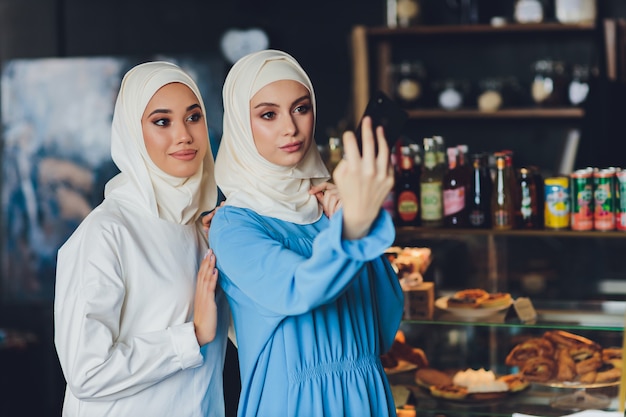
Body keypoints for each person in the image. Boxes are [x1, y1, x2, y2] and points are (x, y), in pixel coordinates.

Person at [209, 49, 404, 416]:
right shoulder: (234, 224)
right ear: (238, 124)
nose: (291, 128)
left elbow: (385, 318)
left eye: (301, 108)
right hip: (296, 401)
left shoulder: (332, 207)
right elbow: (298, 288)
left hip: (366, 390)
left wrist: (351, 220)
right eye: (268, 114)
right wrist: (354, 228)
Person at [54, 61, 230, 417]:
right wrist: (190, 335)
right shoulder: (106, 232)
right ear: (133, 133)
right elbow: (86, 372)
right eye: (162, 121)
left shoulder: (204, 228)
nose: (183, 134)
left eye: (193, 117)